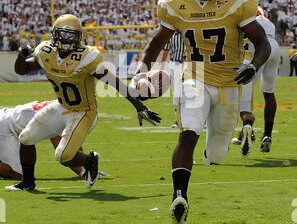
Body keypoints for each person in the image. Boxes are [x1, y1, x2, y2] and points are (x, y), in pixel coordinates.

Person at [129, 0, 270, 224]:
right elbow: (156, 43)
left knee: (217, 154)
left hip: (230, 82)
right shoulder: (175, 3)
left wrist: (253, 65)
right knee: (188, 133)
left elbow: (263, 42)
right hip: (195, 76)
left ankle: (209, 154)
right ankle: (179, 196)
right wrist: (140, 72)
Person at [7, 14, 161, 192]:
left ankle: (90, 160)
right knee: (26, 138)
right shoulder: (45, 51)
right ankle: (28, 183)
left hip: (84, 112)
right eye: (63, 34)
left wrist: (139, 106)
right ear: (55, 35)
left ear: (79, 37)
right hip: (61, 107)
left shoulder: (86, 56)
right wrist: (21, 55)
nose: (66, 39)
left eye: (71, 35)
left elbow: (112, 80)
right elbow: (22, 69)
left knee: (63, 156)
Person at [231, 6, 281, 155]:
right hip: (274, 47)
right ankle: (267, 134)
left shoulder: (248, 19)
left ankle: (248, 128)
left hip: (259, 48)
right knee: (269, 93)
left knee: (246, 91)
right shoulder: (268, 22)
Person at [0, 100, 84, 181]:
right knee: (17, 174)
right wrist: (82, 172)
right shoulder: (59, 116)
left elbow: (73, 144)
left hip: (7, 117)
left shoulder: (60, 106)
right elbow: (63, 151)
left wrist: (86, 166)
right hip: (5, 128)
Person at [161, 30, 186, 127]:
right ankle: (179, 120)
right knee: (176, 93)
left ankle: (195, 119)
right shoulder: (171, 35)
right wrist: (162, 66)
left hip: (187, 64)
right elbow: (166, 50)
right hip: (175, 64)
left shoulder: (188, 33)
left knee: (190, 92)